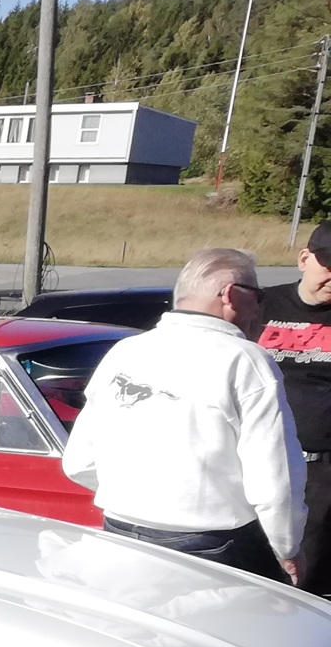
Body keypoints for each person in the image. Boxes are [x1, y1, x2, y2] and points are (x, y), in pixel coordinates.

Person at [62, 247, 304, 582]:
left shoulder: (125, 351)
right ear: (231, 295)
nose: (259, 309)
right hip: (210, 543)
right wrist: (287, 547)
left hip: (119, 529)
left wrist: (142, 496)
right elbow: (275, 478)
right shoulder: (245, 359)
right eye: (258, 296)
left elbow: (79, 462)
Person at [255, 223, 331, 591]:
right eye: (328, 265)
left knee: (304, 581)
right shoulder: (261, 305)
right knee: (251, 572)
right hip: (256, 462)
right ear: (304, 259)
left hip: (321, 473)